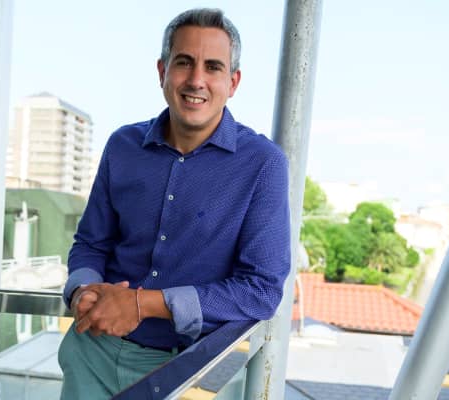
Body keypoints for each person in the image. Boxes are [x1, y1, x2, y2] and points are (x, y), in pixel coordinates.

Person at [58, 8, 290, 398]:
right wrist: (83, 291)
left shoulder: (263, 164)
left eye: (213, 67)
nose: (196, 80)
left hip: (186, 372)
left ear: (232, 82)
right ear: (162, 71)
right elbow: (91, 244)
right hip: (91, 352)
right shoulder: (122, 145)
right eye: (184, 62)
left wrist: (143, 304)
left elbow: (261, 291)